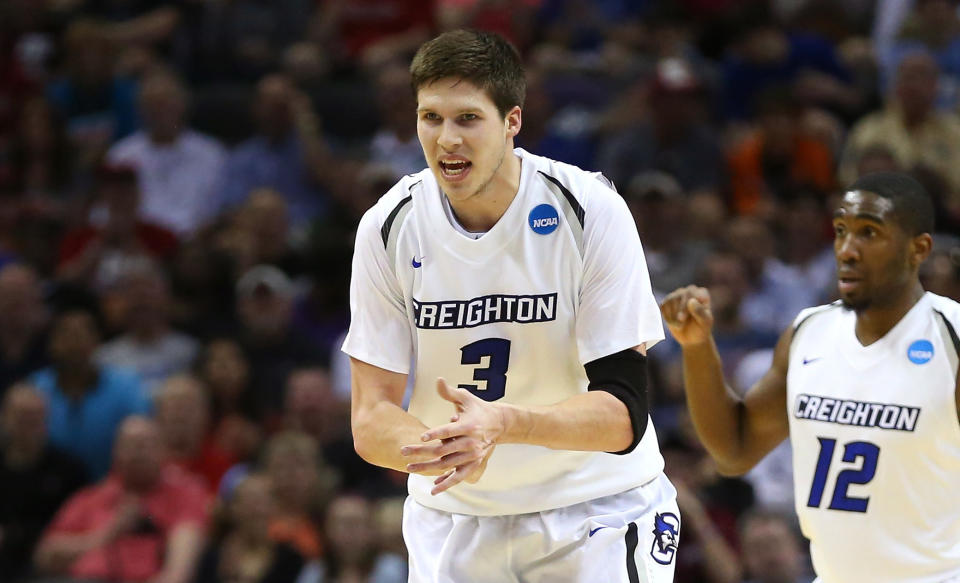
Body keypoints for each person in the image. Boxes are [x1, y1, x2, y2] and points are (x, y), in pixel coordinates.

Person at [343, 29, 678, 582]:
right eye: (431, 118)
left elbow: (624, 413)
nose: (446, 139)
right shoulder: (388, 225)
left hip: (594, 510)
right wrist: (442, 449)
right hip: (454, 518)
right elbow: (371, 416)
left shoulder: (588, 210)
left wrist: (500, 425)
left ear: (512, 121)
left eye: (467, 119)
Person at [660, 171, 960, 582]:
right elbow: (734, 450)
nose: (847, 250)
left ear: (918, 249)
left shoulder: (952, 337)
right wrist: (696, 349)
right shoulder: (808, 333)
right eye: (841, 231)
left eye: (869, 234)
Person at [34, 416, 209, 583]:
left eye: (145, 445)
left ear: (162, 450)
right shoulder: (91, 497)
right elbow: (45, 556)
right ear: (115, 452)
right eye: (130, 446)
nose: (137, 453)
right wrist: (104, 536)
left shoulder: (183, 495)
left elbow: (178, 573)